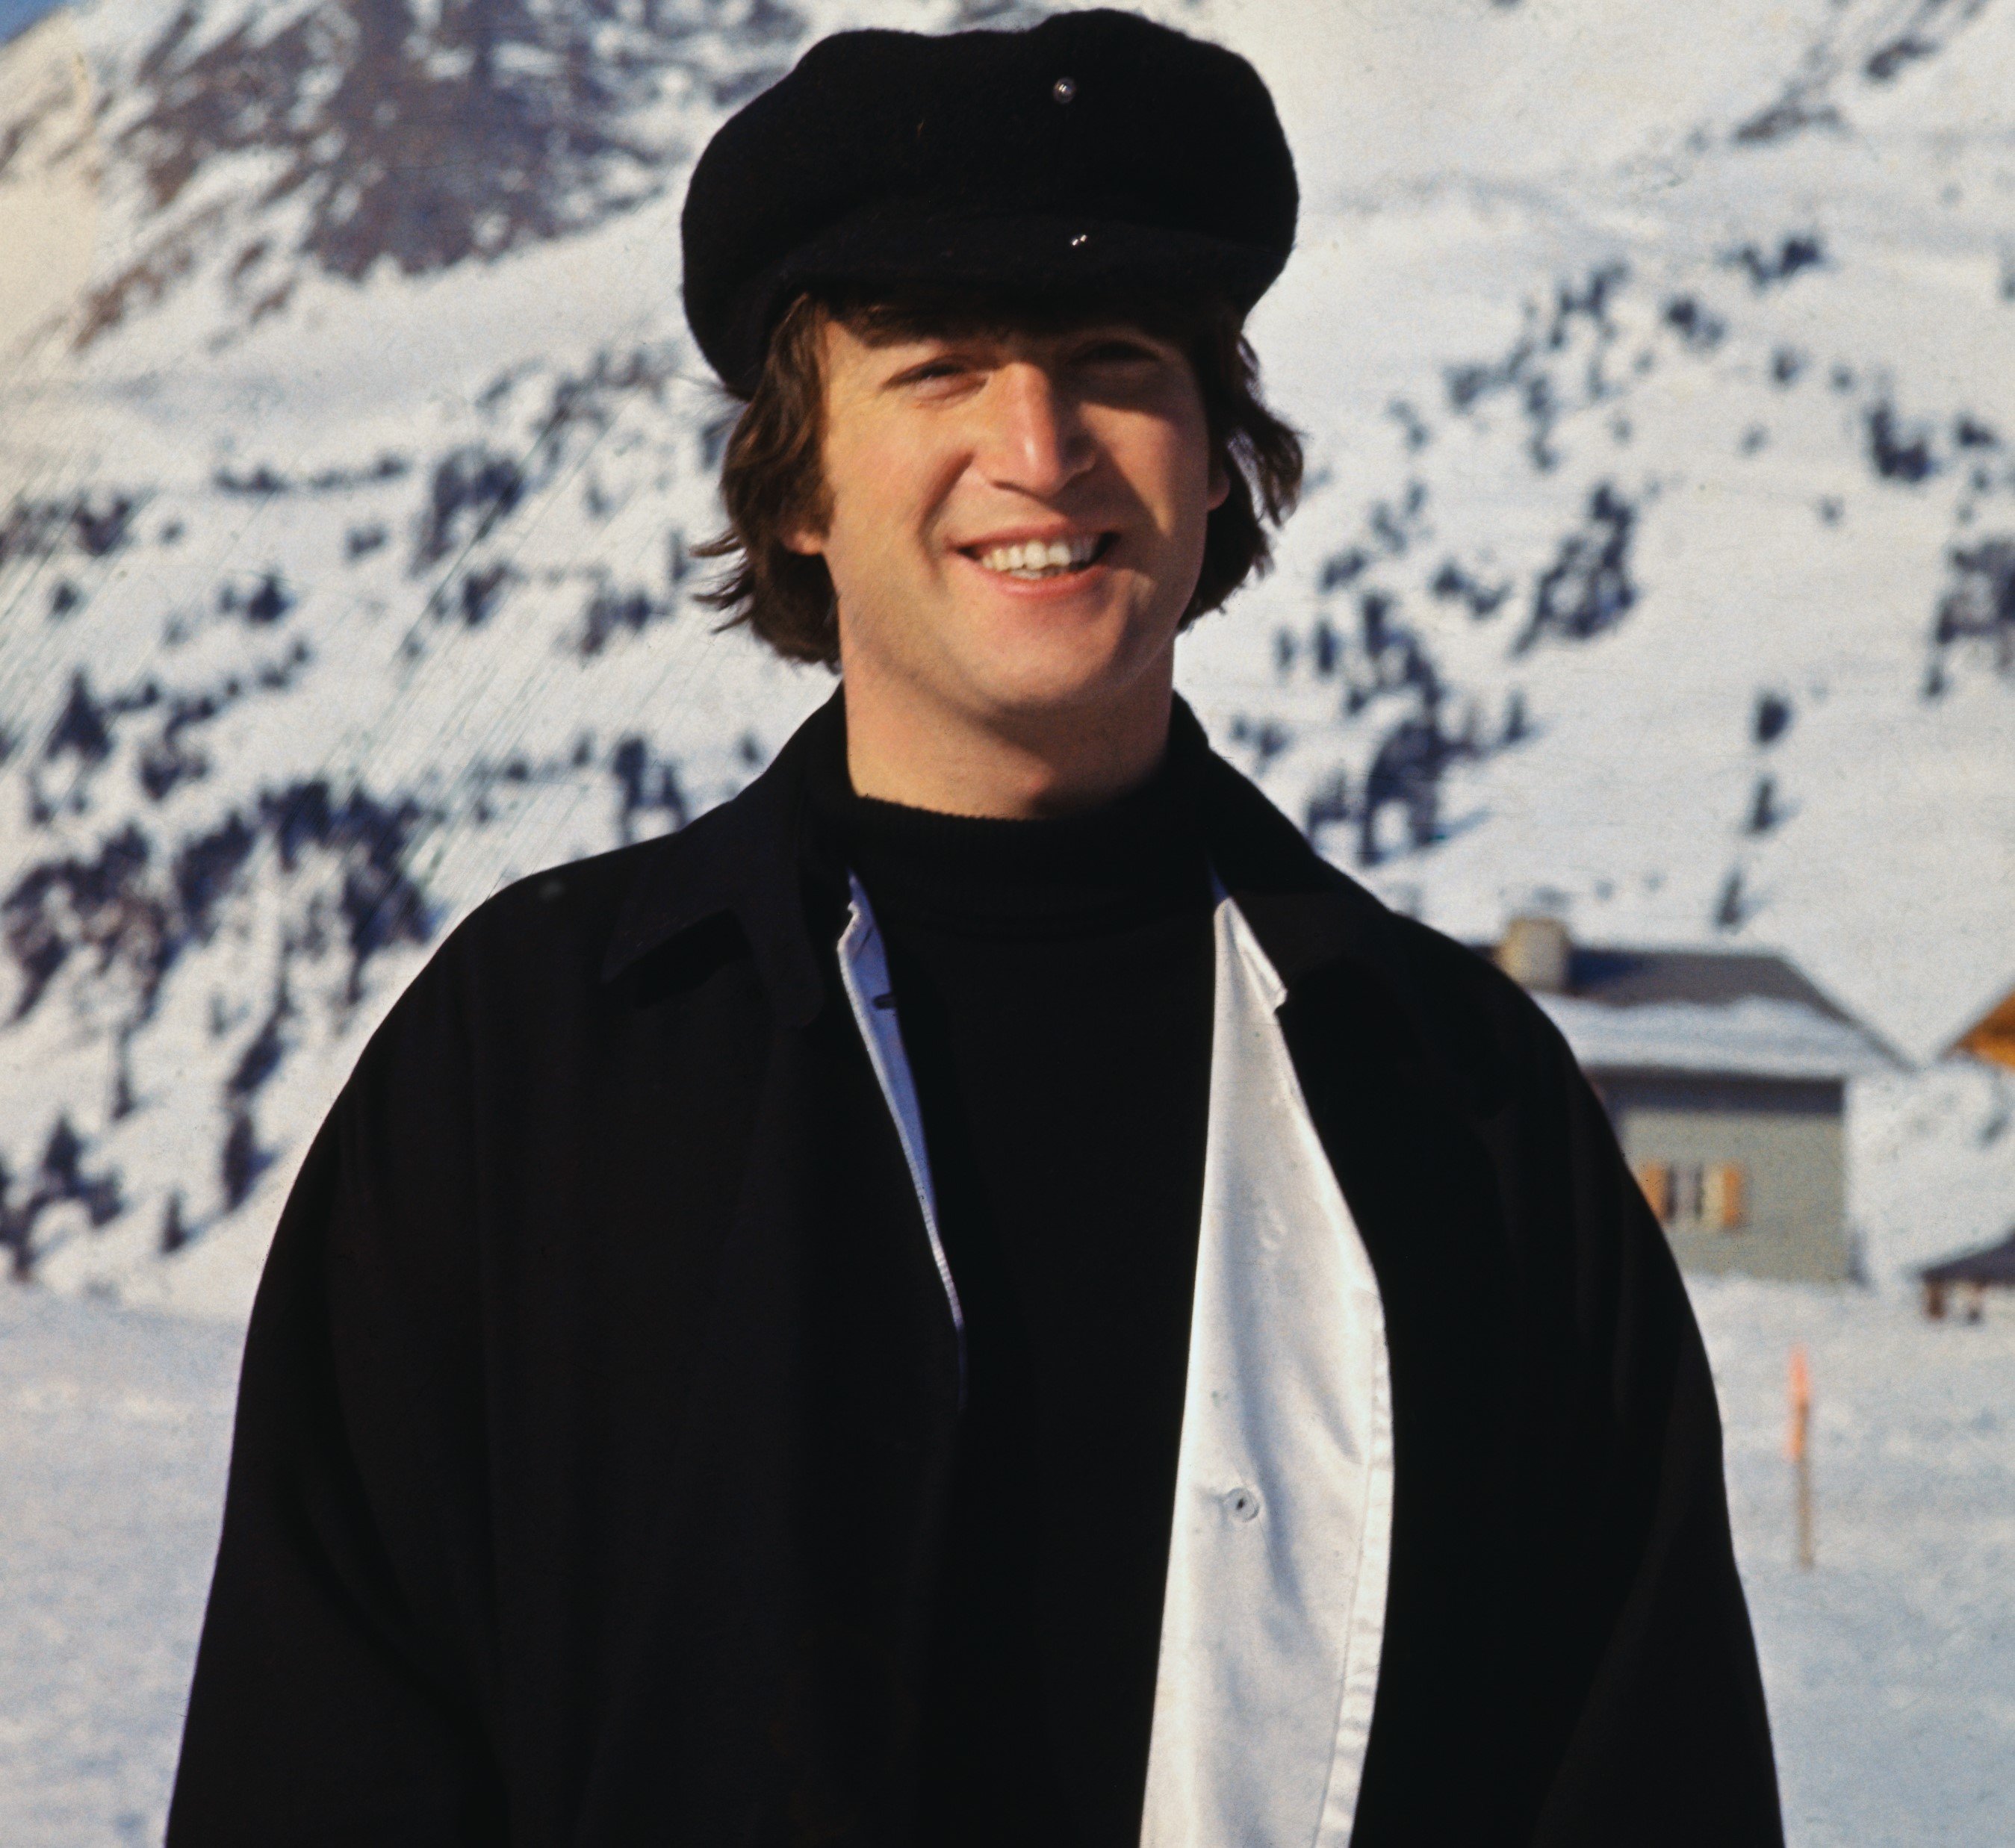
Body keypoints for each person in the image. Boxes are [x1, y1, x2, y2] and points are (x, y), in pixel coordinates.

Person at [167, 10, 1784, 1846]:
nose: (1040, 448)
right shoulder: (530, 1065)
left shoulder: (1460, 1105)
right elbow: (327, 1755)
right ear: (794, 486)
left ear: (1210, 457)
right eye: (938, 369)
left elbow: (1640, 1774)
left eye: (1111, 361)